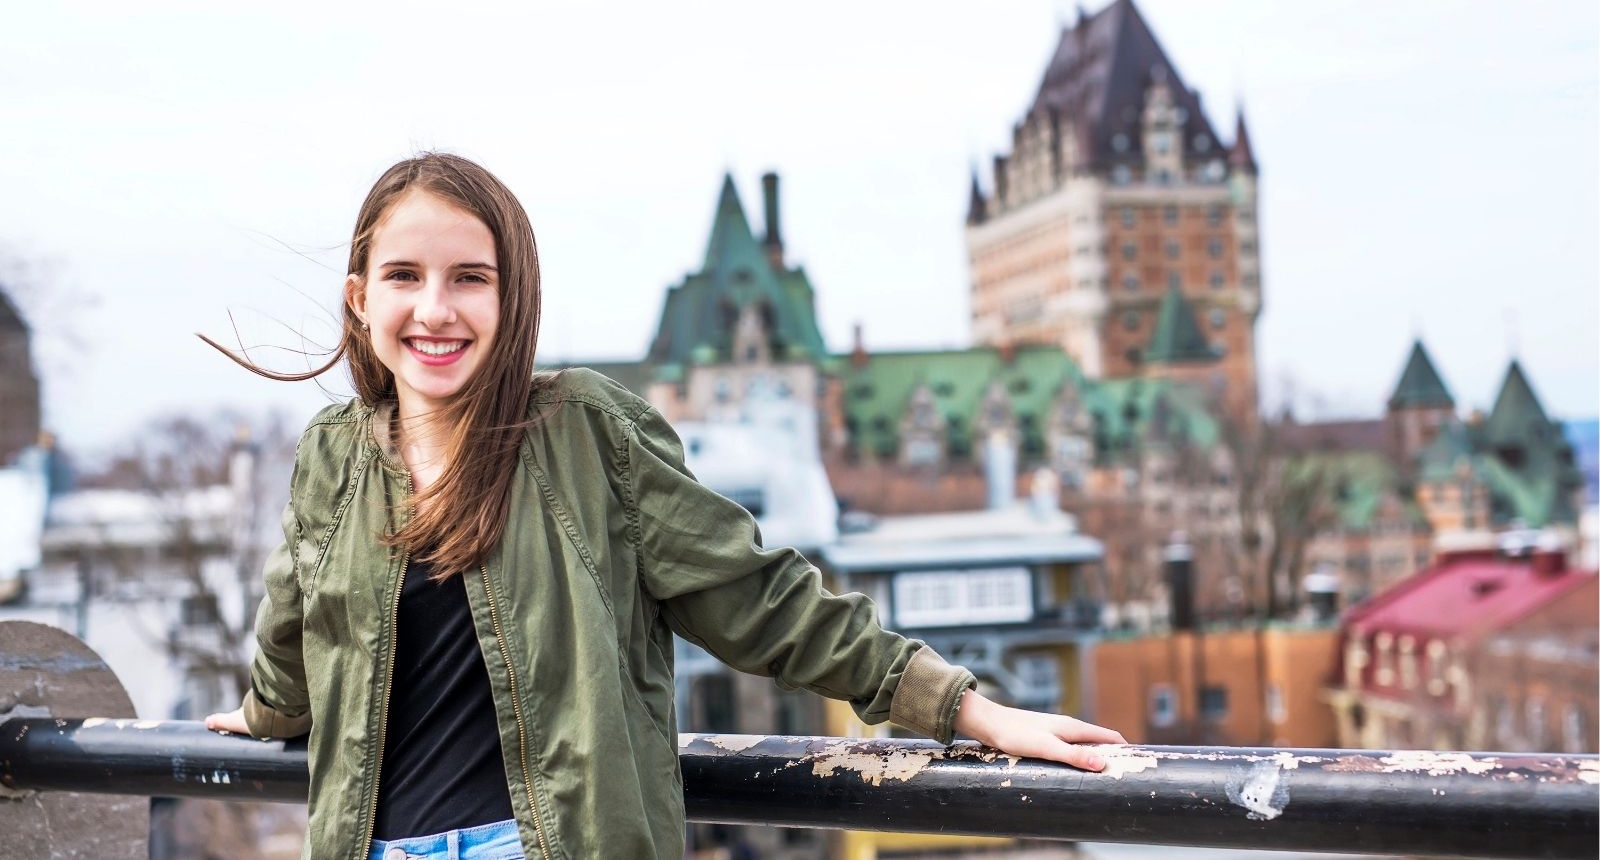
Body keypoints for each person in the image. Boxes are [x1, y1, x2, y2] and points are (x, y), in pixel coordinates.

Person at [203, 153, 1125, 860]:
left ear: (511, 295)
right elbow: (298, 631)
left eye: (468, 277)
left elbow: (763, 599)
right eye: (404, 276)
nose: (435, 309)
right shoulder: (332, 454)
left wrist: (969, 709)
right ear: (361, 299)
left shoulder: (582, 432)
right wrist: (263, 713)